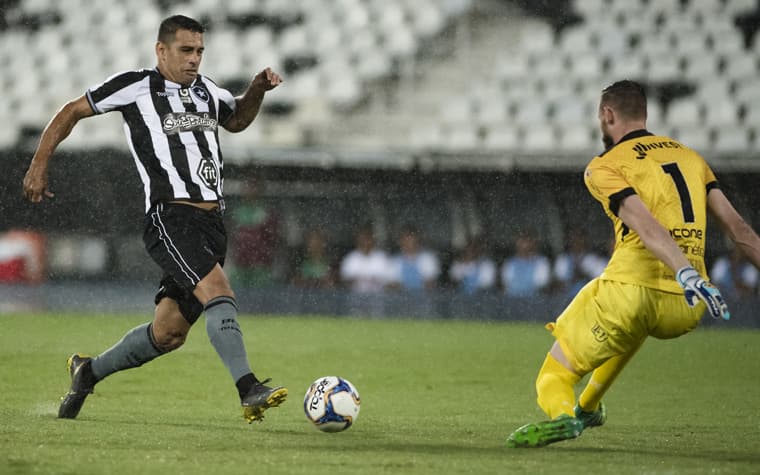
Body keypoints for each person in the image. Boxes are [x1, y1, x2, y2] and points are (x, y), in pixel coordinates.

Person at [22, 15, 288, 424]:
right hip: (171, 217)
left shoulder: (207, 90)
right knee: (219, 291)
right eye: (186, 50)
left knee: (168, 334)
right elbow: (72, 110)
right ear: (161, 51)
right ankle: (248, 388)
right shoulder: (137, 85)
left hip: (213, 225)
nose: (194, 59)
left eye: (199, 51)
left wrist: (256, 90)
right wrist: (39, 164)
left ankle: (87, 372)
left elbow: (235, 120)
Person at [506, 80, 760, 448]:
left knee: (554, 374)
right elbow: (741, 232)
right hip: (686, 306)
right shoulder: (691, 158)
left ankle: (564, 418)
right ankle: (590, 407)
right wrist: (690, 274)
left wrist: (682, 269)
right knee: (631, 325)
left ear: (607, 115)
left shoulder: (604, 166)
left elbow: (646, 225)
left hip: (636, 289)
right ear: (644, 114)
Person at [229, 178, 282, 287]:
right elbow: (233, 240)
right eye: (247, 188)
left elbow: (273, 240)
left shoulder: (267, 213)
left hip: (260, 269)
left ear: (259, 191)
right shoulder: (236, 213)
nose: (250, 191)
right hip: (240, 268)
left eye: (253, 188)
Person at [552, 229, 607, 298]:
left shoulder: (593, 259)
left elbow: (600, 283)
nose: (576, 242)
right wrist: (571, 279)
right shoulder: (563, 259)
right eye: (573, 239)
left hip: (589, 298)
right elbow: (558, 284)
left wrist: (584, 275)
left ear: (585, 241)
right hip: (566, 300)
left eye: (579, 239)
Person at [387, 224, 441, 292]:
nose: (408, 242)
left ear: (417, 239)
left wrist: (403, 286)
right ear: (400, 241)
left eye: (411, 239)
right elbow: (391, 286)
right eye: (405, 239)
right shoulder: (394, 261)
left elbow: (431, 284)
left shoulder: (428, 258)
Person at [500, 230, 551, 297]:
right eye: (521, 241)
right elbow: (505, 286)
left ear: (533, 243)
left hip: (534, 301)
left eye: (526, 241)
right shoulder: (510, 263)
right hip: (512, 301)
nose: (524, 244)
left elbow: (542, 287)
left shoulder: (542, 262)